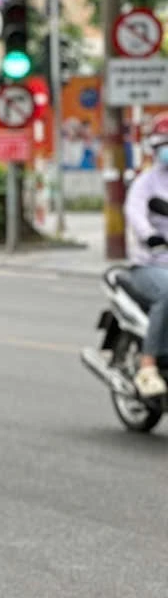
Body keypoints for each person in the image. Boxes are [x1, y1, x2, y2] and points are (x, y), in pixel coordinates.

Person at [122, 113, 168, 398]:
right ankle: (148, 365)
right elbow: (135, 212)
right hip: (150, 264)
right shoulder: (146, 182)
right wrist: (150, 236)